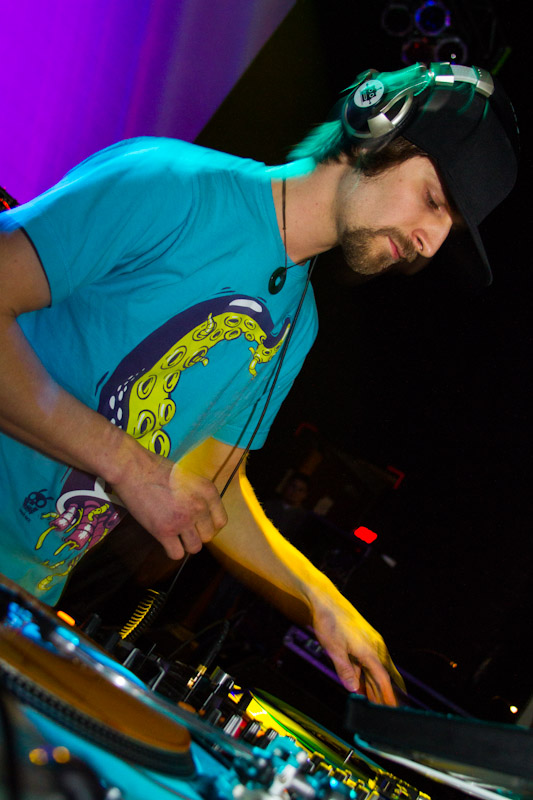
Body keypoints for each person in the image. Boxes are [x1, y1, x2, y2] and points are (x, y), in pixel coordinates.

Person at [0, 62, 518, 706]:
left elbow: (207, 485)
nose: (429, 244)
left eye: (449, 230)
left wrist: (320, 599)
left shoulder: (297, 326)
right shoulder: (169, 185)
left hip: (23, 602)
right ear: (373, 125)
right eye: (434, 201)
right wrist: (127, 467)